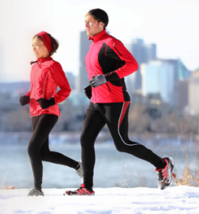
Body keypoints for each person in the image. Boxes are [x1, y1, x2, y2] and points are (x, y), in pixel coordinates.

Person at [65, 9, 175, 196]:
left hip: (115, 101)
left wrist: (106, 79)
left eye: (90, 21)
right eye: (85, 21)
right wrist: (93, 87)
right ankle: (87, 187)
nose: (86, 25)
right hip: (96, 101)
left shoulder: (111, 43)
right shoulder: (92, 46)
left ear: (101, 24)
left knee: (122, 143)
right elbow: (99, 72)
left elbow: (132, 64)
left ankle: (162, 164)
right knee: (85, 139)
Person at [19, 31, 83, 196]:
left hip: (49, 111)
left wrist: (52, 100)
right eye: (32, 45)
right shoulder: (34, 67)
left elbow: (66, 89)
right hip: (34, 111)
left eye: (38, 45)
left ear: (47, 46)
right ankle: (77, 166)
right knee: (43, 153)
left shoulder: (54, 66)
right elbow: (34, 89)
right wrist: (27, 97)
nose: (34, 48)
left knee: (32, 148)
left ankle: (37, 189)